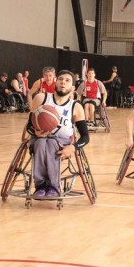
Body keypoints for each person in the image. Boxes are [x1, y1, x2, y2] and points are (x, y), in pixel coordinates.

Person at [29, 70, 89, 198]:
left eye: (67, 80)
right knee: (40, 143)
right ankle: (40, 185)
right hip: (39, 138)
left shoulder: (76, 106)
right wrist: (35, 132)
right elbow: (29, 126)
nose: (63, 82)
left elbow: (85, 137)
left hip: (62, 141)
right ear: (55, 82)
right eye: (60, 79)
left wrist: (73, 147)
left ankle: (53, 186)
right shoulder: (41, 98)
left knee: (51, 143)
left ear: (73, 88)